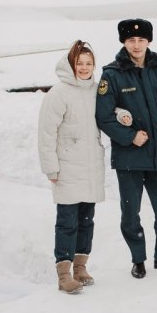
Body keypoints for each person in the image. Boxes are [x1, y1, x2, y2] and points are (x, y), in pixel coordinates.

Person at [95, 18, 157, 279]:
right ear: (123, 42)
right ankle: (138, 259)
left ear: (149, 41)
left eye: (141, 40)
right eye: (131, 40)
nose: (136, 45)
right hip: (130, 159)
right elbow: (103, 117)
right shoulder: (112, 75)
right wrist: (129, 137)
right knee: (130, 214)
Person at [39, 40, 126, 294]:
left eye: (89, 63)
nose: (85, 68)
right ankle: (64, 274)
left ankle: (80, 267)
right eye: (80, 63)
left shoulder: (96, 90)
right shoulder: (59, 93)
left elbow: (107, 111)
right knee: (67, 221)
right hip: (67, 166)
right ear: (71, 64)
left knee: (86, 220)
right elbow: (46, 133)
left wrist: (121, 114)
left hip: (90, 166)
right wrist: (51, 168)